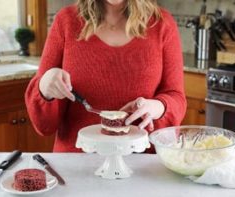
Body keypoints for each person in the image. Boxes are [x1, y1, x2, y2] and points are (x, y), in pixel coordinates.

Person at [25, 0, 186, 152]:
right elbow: (43, 126)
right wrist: (44, 87)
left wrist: (157, 107)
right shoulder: (65, 21)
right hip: (75, 165)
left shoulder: (162, 23)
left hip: (143, 165)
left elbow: (176, 97)